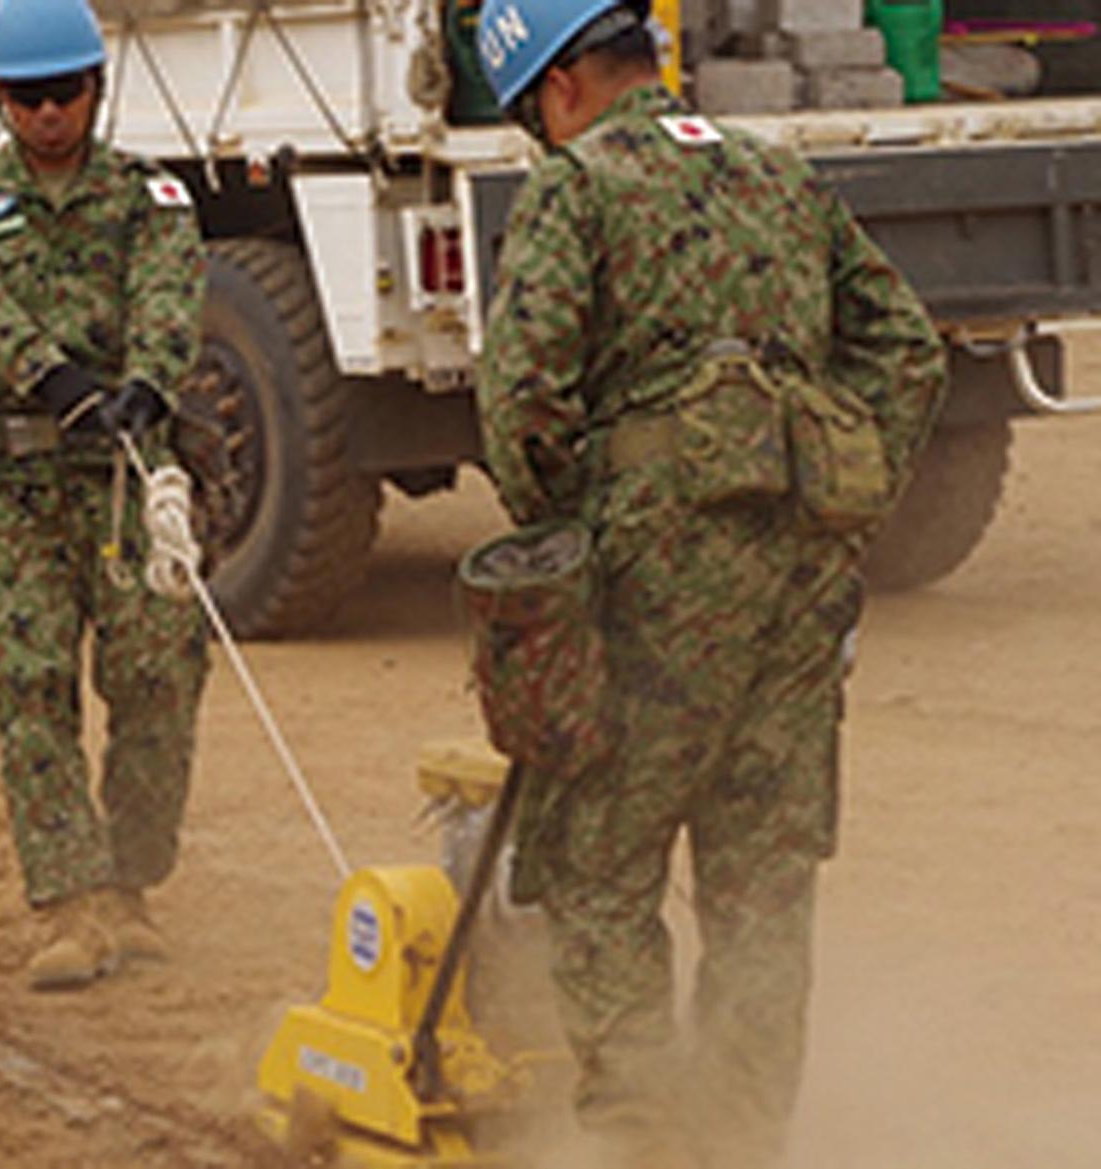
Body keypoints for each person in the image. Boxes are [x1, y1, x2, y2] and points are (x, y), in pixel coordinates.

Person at [473, 1, 947, 1165]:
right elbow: (907, 350)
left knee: (595, 861)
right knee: (760, 886)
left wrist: (566, 537)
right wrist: (840, 504)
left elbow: (522, 399)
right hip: (799, 588)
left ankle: (644, 1141)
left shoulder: (574, 188)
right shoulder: (773, 175)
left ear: (561, 85)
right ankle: (738, 1140)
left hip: (649, 586)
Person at [0, 0, 209, 991]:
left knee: (159, 676)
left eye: (65, 93)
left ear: (96, 87)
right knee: (31, 679)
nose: (48, 115)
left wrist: (148, 384)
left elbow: (172, 295)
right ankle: (68, 902)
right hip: (23, 481)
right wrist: (54, 378)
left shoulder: (151, 199)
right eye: (28, 98)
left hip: (126, 477)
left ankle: (129, 889)